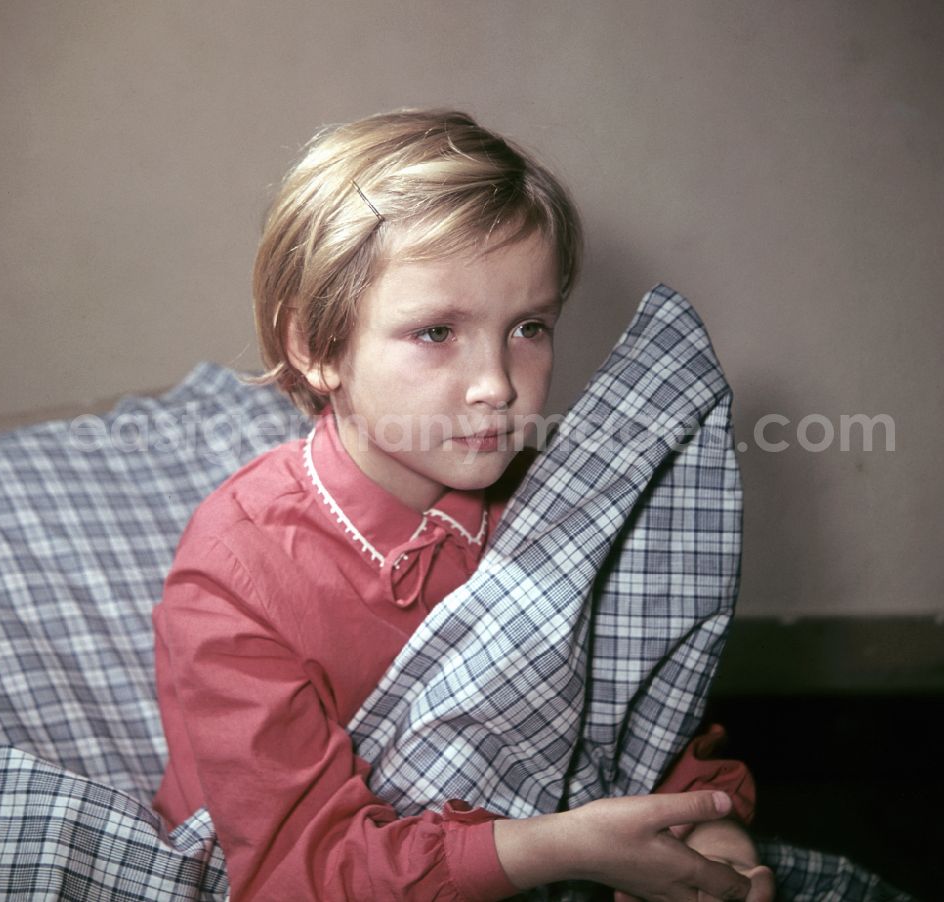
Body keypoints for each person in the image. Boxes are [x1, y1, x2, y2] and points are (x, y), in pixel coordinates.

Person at [152, 109, 774, 901]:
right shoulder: (237, 571)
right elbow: (295, 871)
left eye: (528, 328)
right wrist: (557, 849)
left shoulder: (550, 507)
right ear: (316, 345)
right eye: (438, 331)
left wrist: (709, 835)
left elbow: (640, 716)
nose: (499, 385)